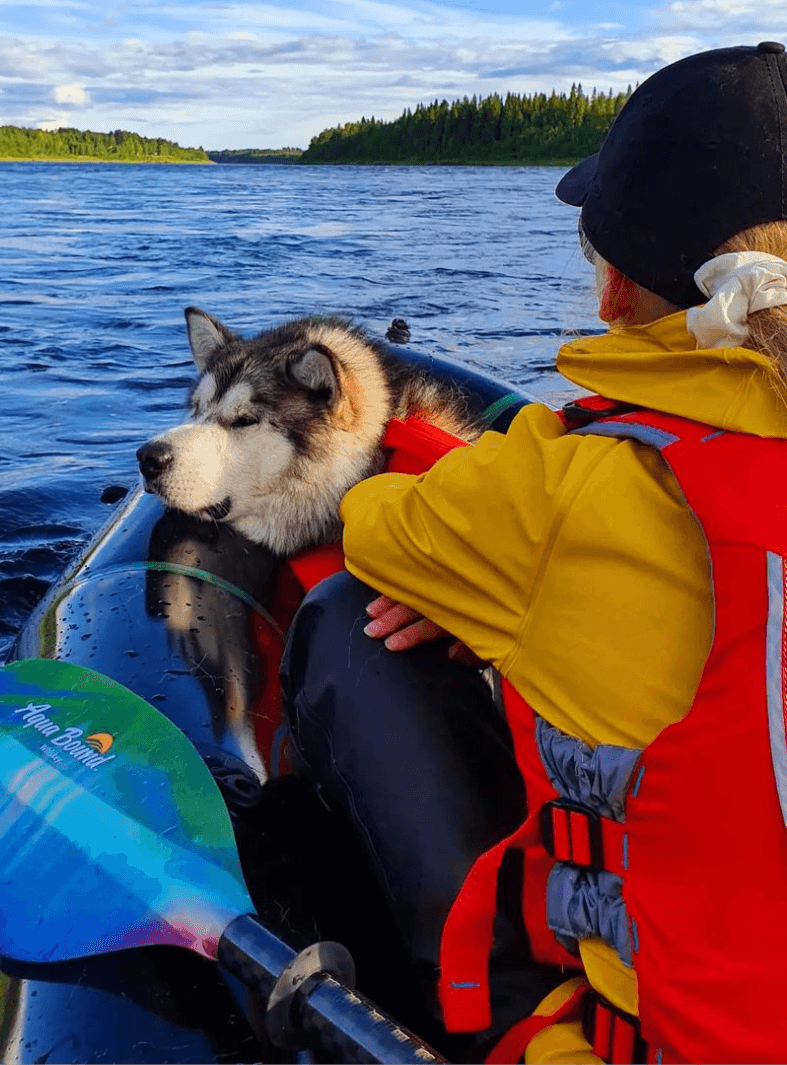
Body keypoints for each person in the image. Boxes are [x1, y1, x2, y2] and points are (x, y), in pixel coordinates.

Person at [283, 43, 787, 1064]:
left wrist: (478, 593)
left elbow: (377, 525)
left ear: (614, 293)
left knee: (344, 621)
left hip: (656, 1047)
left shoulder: (561, 488)